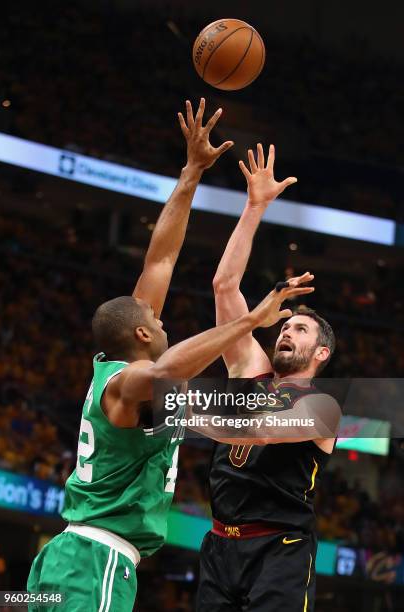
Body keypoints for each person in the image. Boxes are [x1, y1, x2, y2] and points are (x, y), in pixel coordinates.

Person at [26, 97, 236, 611]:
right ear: (141, 336)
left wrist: (191, 173)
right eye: (157, 321)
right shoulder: (133, 382)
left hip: (71, 557)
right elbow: (169, 369)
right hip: (95, 562)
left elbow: (161, 258)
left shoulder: (118, 369)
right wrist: (247, 322)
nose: (161, 320)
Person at [194, 144, 341, 612]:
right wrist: (255, 207)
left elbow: (261, 430)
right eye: (283, 325)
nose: (285, 331)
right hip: (219, 544)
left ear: (320, 353)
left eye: (299, 329)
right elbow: (224, 286)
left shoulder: (322, 407)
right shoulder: (250, 373)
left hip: (281, 548)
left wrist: (177, 408)